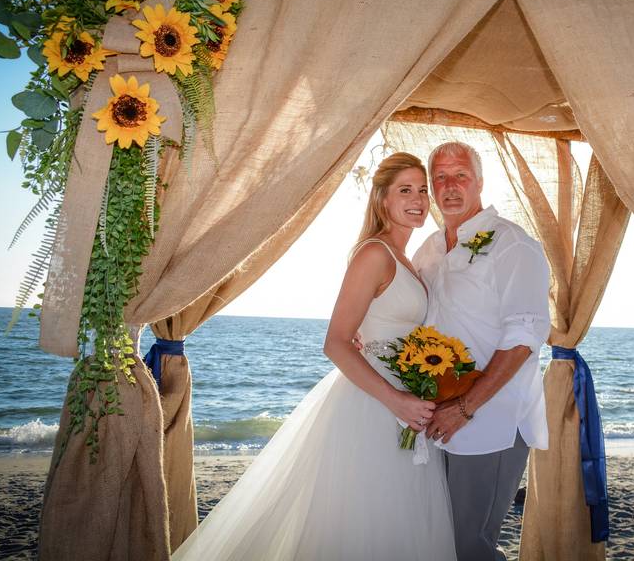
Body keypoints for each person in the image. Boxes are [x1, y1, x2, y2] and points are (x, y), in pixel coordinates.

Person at [171, 152, 457, 561]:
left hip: (406, 403)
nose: (418, 198)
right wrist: (396, 400)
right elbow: (336, 342)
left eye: (423, 190)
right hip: (374, 406)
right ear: (382, 200)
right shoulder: (374, 254)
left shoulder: (406, 260)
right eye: (405, 190)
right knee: (363, 520)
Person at [414, 141, 551, 561]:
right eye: (439, 177)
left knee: (469, 546)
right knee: (439, 538)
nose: (449, 186)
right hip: (437, 417)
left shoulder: (512, 244)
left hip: (489, 421)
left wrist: (466, 407)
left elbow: (524, 338)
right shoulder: (430, 250)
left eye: (460, 176)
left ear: (479, 183)